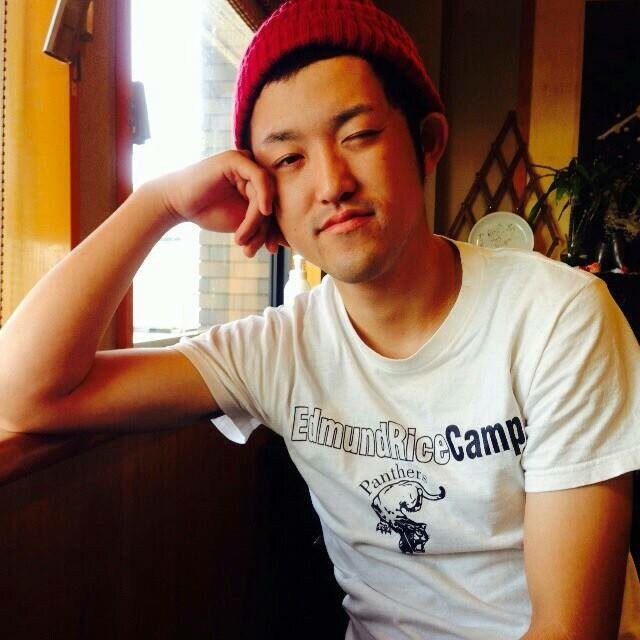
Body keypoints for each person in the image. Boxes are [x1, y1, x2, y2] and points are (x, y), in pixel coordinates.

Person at [0, 0, 639, 637]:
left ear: (426, 143)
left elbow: (570, 630)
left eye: (358, 135)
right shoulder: (282, 348)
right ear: (264, 198)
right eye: (288, 160)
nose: (332, 183)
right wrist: (158, 203)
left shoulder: (558, 318)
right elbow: (26, 393)